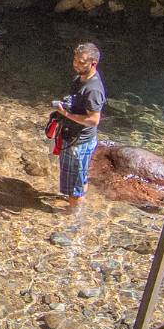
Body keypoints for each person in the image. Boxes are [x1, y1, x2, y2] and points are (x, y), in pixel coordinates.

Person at [54, 42, 106, 208]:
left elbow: (94, 120)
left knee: (74, 185)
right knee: (79, 179)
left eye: (81, 62)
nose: (76, 64)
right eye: (75, 60)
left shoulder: (93, 90)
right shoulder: (79, 79)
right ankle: (76, 204)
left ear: (93, 64)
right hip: (73, 136)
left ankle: (73, 213)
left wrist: (66, 114)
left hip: (80, 142)